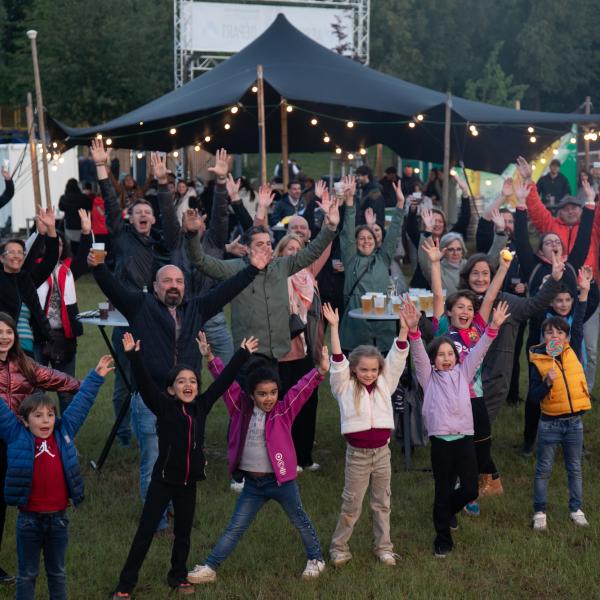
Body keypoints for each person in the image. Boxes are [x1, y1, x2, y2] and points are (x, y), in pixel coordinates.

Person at [87, 252, 266, 532]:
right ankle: (156, 521)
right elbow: (111, 286)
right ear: (155, 287)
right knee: (153, 459)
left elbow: (225, 291)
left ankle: (171, 506)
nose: (174, 285)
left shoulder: (196, 308)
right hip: (151, 399)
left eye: (179, 281)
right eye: (167, 280)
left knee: (179, 457)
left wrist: (252, 269)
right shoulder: (138, 305)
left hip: (185, 402)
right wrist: (96, 264)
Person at [111, 333, 257, 599]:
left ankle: (177, 576)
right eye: (181, 381)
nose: (188, 385)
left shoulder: (202, 405)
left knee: (183, 534)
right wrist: (133, 355)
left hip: (188, 483)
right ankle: (125, 584)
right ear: (171, 389)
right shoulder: (164, 407)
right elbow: (144, 384)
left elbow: (223, 382)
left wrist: (242, 354)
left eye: (192, 381)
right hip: (163, 482)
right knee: (144, 533)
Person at [187, 345, 330, 584]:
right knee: (235, 527)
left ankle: (316, 559)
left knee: (300, 520)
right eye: (262, 394)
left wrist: (320, 371)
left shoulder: (284, 411)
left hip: (281, 482)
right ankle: (211, 567)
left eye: (273, 392)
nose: (269, 398)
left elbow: (301, 389)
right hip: (253, 486)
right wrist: (210, 358)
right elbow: (225, 383)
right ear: (251, 395)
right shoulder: (238, 408)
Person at [0, 354, 113, 600]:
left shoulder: (64, 431)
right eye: (38, 416)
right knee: (27, 574)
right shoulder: (15, 434)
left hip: (58, 520)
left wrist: (96, 377)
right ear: (24, 420)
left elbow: (81, 404)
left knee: (58, 573)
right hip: (28, 521)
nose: (45, 420)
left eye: (50, 415)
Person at [403, 299, 509, 557]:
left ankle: (445, 510)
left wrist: (493, 327)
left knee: (471, 489)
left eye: (450, 354)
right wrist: (414, 331)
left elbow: (481, 349)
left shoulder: (465, 372)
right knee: (443, 489)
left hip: (464, 440)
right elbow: (418, 354)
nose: (447, 359)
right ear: (434, 360)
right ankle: (443, 540)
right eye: (441, 355)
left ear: (457, 358)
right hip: (441, 443)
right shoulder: (428, 379)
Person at [183, 188, 339, 360]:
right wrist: (191, 235)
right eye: (260, 245)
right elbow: (201, 262)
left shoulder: (282, 265)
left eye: (268, 244)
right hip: (248, 354)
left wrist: (330, 227)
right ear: (247, 249)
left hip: (279, 352)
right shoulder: (235, 269)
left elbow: (312, 252)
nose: (266, 248)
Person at [424, 238, 510, 510]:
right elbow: (438, 296)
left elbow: (492, 295)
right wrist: (435, 264)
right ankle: (456, 491)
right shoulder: (442, 331)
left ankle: (467, 482)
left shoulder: (477, 329)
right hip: (449, 400)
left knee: (482, 449)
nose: (465, 311)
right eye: (459, 307)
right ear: (450, 312)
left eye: (469, 308)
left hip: (476, 398)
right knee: (453, 448)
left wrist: (504, 266)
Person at [323, 302, 408, 567]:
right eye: (363, 370)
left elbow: (396, 358)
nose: (369, 374)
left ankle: (383, 547)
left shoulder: (385, 383)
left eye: (374, 370)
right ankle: (339, 547)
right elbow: (337, 362)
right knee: (352, 505)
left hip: (382, 454)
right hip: (357, 457)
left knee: (382, 503)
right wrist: (334, 328)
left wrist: (404, 329)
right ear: (354, 370)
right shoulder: (343, 387)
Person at [0, 311, 80, 585]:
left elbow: (54, 377)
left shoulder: (23, 364)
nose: (4, 337)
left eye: (8, 332)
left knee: (8, 501)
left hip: (15, 444)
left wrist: (81, 386)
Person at [518, 155, 600, 394]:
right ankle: (551, 386)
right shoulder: (550, 226)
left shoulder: (592, 225)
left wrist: (594, 194)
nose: (572, 210)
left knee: (590, 347)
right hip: (555, 296)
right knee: (553, 343)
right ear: (559, 211)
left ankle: (585, 387)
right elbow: (534, 207)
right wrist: (529, 181)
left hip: (588, 292)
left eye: (576, 206)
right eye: (566, 207)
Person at [457, 250, 565, 421]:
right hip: (462, 375)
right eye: (475, 273)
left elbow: (534, 305)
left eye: (485, 274)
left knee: (480, 426)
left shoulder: (507, 302)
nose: (480, 279)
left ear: (494, 277)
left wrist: (554, 279)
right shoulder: (459, 303)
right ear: (467, 276)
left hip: (495, 377)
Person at [273, 228, 330, 471]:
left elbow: (325, 248)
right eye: (290, 249)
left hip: (308, 349)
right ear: (281, 253)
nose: (295, 253)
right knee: (285, 403)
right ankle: (285, 455)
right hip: (283, 351)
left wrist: (330, 221)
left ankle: (304, 456)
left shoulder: (308, 273)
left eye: (299, 249)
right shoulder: (274, 275)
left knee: (308, 402)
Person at [529, 315, 591, 531]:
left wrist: (583, 295)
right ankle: (539, 511)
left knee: (574, 468)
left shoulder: (572, 351)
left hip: (574, 423)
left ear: (567, 337)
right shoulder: (538, 362)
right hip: (550, 425)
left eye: (560, 333)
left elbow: (580, 319)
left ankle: (576, 509)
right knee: (543, 469)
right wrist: (547, 382)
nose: (555, 336)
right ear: (543, 337)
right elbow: (533, 397)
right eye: (549, 332)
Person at [523, 268, 592, 456]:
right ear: (551, 302)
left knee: (572, 404)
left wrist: (584, 291)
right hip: (544, 367)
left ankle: (577, 443)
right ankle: (529, 441)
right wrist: (548, 284)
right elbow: (537, 305)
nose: (563, 304)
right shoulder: (542, 318)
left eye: (568, 300)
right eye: (559, 300)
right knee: (536, 401)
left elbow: (579, 318)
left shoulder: (574, 327)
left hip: (569, 369)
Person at [33, 209, 92, 413]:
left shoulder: (68, 269)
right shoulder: (33, 268)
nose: (56, 247)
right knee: (37, 391)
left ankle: (67, 438)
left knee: (66, 390)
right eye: (52, 243)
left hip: (64, 336)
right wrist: (41, 231)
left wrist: (86, 232)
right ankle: (38, 437)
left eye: (59, 244)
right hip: (39, 336)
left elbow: (84, 257)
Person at [339, 176, 406, 354]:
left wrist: (400, 204)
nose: (366, 242)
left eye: (369, 238)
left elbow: (393, 233)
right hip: (355, 329)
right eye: (361, 238)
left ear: (376, 241)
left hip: (384, 329)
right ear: (355, 242)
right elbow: (347, 230)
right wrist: (350, 201)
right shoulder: (351, 258)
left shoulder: (382, 258)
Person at [0, 208, 58, 357]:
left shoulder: (26, 280)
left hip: (27, 350)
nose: (16, 256)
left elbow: (50, 260)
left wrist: (50, 229)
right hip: (4, 349)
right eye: (11, 252)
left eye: (20, 252)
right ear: (1, 258)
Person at [405, 173, 471, 288]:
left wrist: (465, 193)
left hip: (444, 285)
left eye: (440, 221)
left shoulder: (449, 238)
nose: (437, 224)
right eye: (433, 220)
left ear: (444, 224)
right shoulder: (422, 238)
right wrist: (413, 209)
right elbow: (410, 227)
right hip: (422, 286)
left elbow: (464, 219)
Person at [418, 207, 505, 294]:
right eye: (451, 249)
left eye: (459, 249)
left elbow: (492, 260)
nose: (455, 253)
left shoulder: (470, 265)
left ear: (463, 251)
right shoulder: (437, 269)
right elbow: (425, 262)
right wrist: (428, 230)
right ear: (443, 252)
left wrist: (500, 231)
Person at [58, 179, 92, 254]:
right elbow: (90, 206)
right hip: (82, 227)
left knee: (72, 249)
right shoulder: (84, 197)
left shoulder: (63, 198)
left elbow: (60, 207)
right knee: (83, 247)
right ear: (77, 186)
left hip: (69, 227)